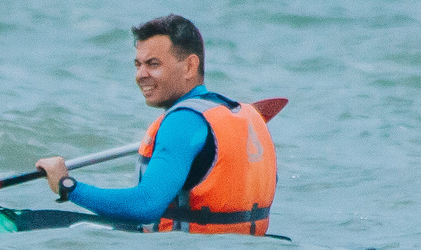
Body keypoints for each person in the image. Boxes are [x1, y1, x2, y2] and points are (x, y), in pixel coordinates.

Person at [21, 14, 277, 234]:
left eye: (153, 64)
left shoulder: (183, 122)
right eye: (138, 64)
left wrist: (68, 186)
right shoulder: (243, 115)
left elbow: (146, 206)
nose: (141, 74)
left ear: (189, 66)